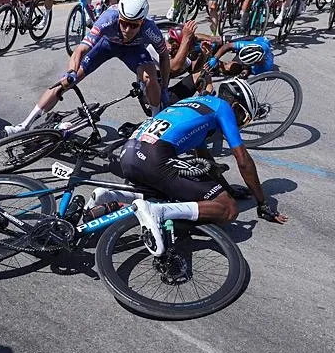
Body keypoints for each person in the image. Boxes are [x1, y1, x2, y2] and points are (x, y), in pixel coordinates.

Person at [121, 79, 287, 256]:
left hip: (129, 154)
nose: (240, 124)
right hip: (154, 157)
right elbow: (243, 160)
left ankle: (103, 205)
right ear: (236, 106)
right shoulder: (223, 108)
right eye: (244, 118)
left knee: (168, 191)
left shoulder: (194, 104)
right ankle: (158, 212)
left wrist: (228, 188)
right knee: (228, 208)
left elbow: (204, 160)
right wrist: (262, 203)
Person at [4, 0, 170, 136]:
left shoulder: (150, 28)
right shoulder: (108, 19)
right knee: (64, 84)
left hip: (133, 50)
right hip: (106, 45)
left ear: (142, 22)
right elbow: (80, 50)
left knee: (151, 79)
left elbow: (164, 56)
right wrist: (70, 72)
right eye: (123, 22)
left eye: (133, 25)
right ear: (118, 17)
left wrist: (164, 89)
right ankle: (24, 125)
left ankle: (155, 120)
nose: (127, 29)